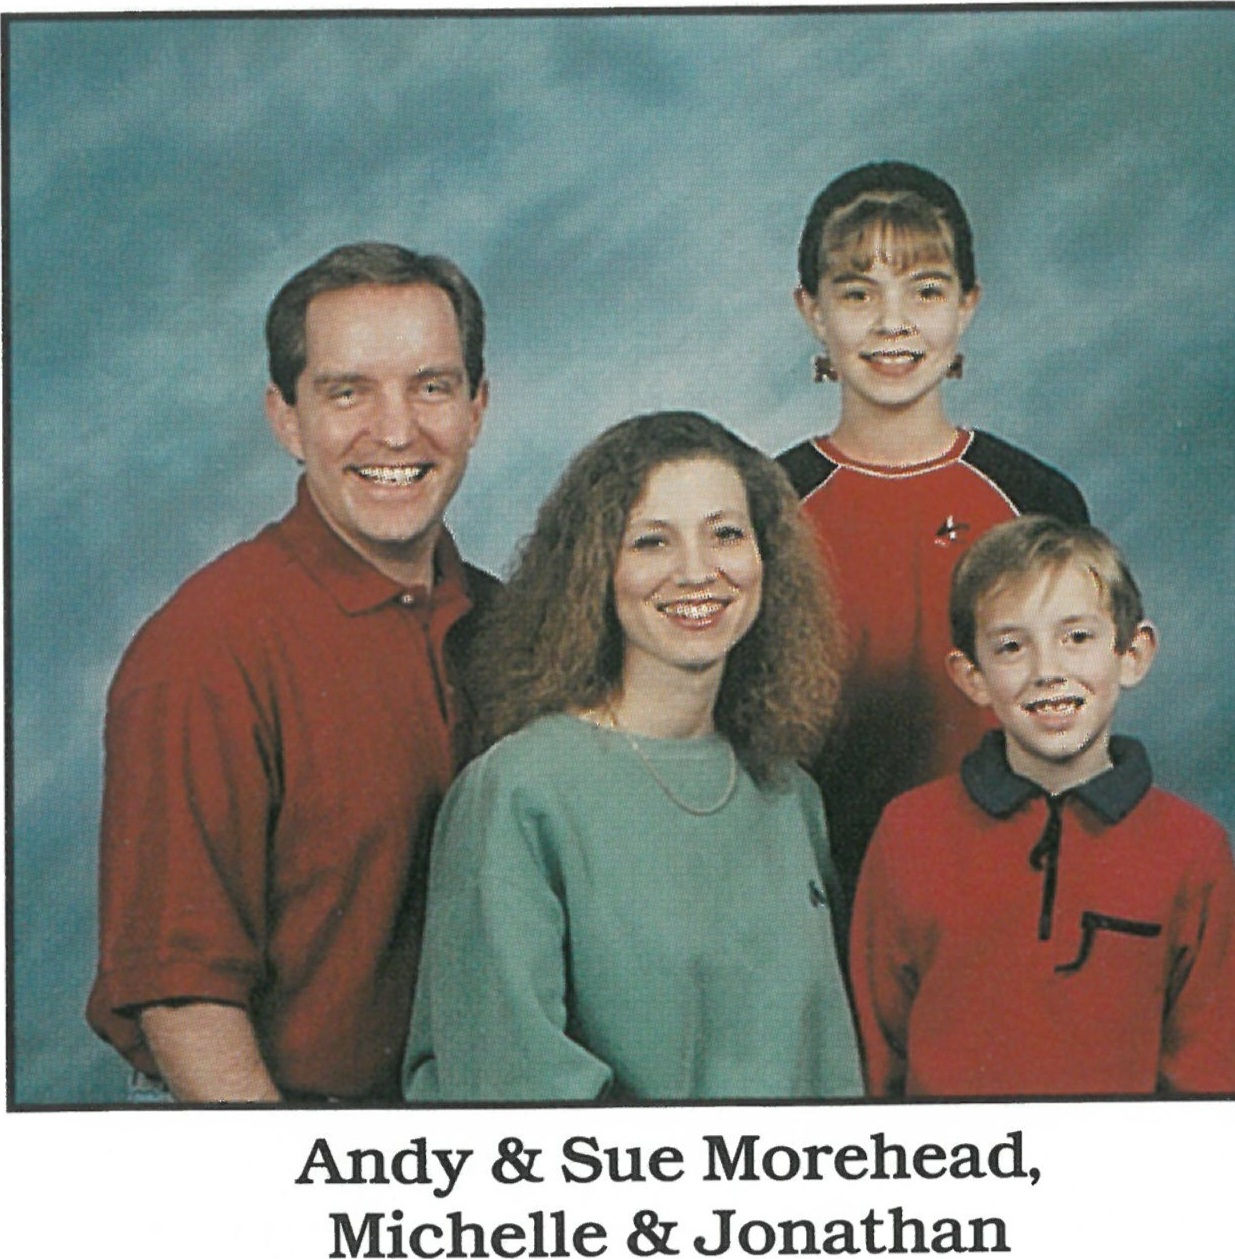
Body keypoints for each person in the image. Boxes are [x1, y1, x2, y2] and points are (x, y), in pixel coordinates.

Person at [86, 242, 496, 1103]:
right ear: (285, 418)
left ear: (476, 408)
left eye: (431, 386)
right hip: (287, 1132)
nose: (396, 430)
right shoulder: (202, 653)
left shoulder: (511, 624)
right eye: (348, 392)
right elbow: (184, 1000)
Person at [403, 411, 863, 1101]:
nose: (697, 571)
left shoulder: (789, 797)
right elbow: (509, 1078)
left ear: (765, 556)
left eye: (726, 534)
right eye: (652, 541)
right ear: (595, 569)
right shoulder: (520, 790)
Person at [778, 161, 1089, 905]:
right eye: (858, 294)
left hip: (1010, 890)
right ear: (812, 310)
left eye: (925, 291)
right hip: (819, 898)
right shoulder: (769, 504)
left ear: (967, 305)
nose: (893, 323)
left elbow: (1078, 720)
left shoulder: (1034, 499)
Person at [850, 516, 1235, 1097]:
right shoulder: (910, 832)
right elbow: (876, 1058)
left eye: (1077, 638)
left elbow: (1208, 1078)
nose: (1047, 672)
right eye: (1012, 647)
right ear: (972, 676)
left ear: (1132, 654)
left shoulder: (1193, 848)